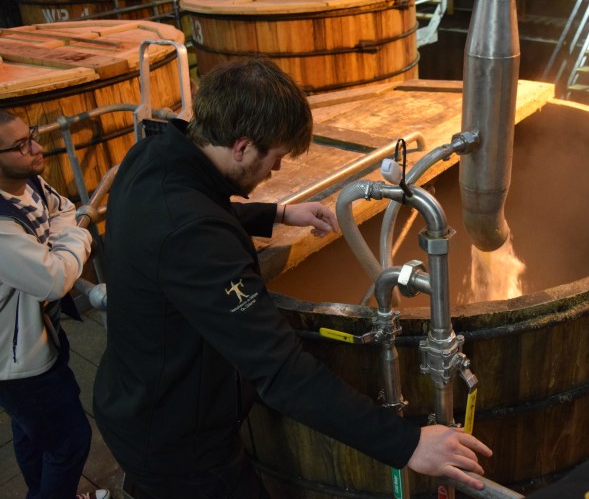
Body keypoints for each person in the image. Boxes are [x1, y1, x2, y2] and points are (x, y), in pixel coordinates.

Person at [93, 58, 492, 499]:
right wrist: (407, 444)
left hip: (135, 396)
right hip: (175, 440)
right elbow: (280, 369)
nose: (278, 172)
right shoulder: (193, 235)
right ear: (242, 147)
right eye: (277, 158)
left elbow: (189, 211)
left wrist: (279, 213)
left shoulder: (154, 154)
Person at [0, 110, 109, 499]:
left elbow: (63, 209)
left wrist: (61, 243)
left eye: (29, 135)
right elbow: (54, 278)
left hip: (37, 336)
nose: (36, 147)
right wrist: (77, 238)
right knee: (70, 442)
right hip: (16, 361)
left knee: (32, 432)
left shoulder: (28, 181)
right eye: (19, 146)